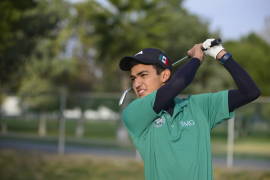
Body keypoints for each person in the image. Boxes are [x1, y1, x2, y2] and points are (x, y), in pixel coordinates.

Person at [118, 39, 260, 180]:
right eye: (133, 78)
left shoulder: (199, 106)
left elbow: (250, 92)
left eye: (143, 75)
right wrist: (197, 58)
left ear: (165, 75)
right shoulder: (133, 113)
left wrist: (221, 55)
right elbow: (177, 84)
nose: (136, 84)